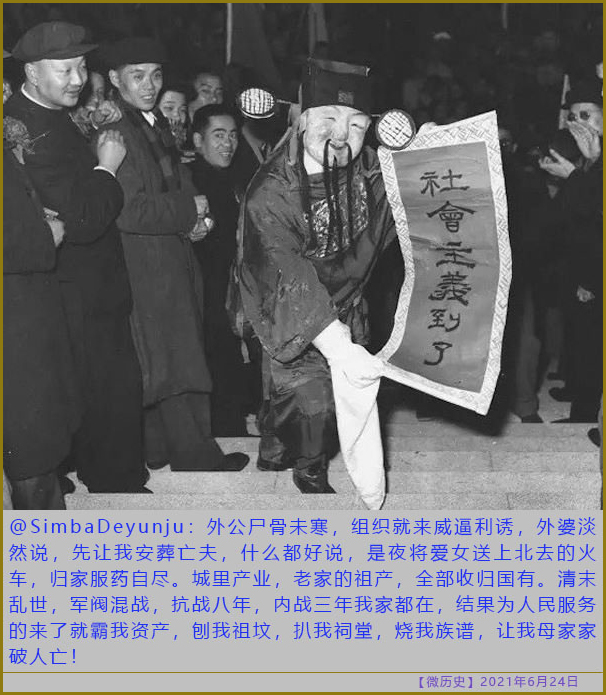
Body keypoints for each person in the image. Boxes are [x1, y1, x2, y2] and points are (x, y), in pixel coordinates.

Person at [237, 58, 396, 493]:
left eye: (357, 124)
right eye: (328, 119)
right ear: (302, 120)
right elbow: (285, 271)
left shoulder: (372, 171)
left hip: (347, 302)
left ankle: (275, 442)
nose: (341, 135)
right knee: (314, 400)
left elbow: (416, 201)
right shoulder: (271, 190)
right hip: (283, 302)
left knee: (314, 395)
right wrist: (338, 346)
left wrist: (435, 152)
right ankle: (310, 468)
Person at [5, 21, 149, 494]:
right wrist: (107, 167)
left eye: (82, 67)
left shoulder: (49, 114)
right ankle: (112, 483)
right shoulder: (24, 129)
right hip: (74, 288)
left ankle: (99, 474)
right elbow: (82, 219)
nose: (78, 79)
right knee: (100, 388)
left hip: (89, 284)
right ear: (31, 72)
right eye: (64, 69)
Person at [102, 37, 249, 472]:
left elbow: (178, 183)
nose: (149, 85)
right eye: (137, 76)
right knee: (175, 358)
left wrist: (197, 220)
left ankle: (161, 449)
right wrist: (189, 210)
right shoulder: (118, 131)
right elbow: (128, 209)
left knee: (170, 357)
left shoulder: (151, 123)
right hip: (147, 262)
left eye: (155, 75)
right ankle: (195, 453)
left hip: (169, 252)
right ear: (114, 79)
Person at [3, 51, 80, 509]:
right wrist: (44, 235)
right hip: (13, 318)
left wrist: (35, 218)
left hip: (25, 310)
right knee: (31, 444)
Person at [539, 79, 603, 423]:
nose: (579, 123)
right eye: (574, 116)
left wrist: (575, 176)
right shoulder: (590, 156)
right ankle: (581, 397)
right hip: (580, 262)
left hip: (596, 270)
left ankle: (586, 411)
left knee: (592, 342)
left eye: (587, 115)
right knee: (581, 337)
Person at [189, 104, 251, 435]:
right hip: (206, 289)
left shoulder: (233, 177)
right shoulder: (191, 179)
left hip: (231, 286)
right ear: (198, 140)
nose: (227, 143)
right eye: (218, 135)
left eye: (233, 135)